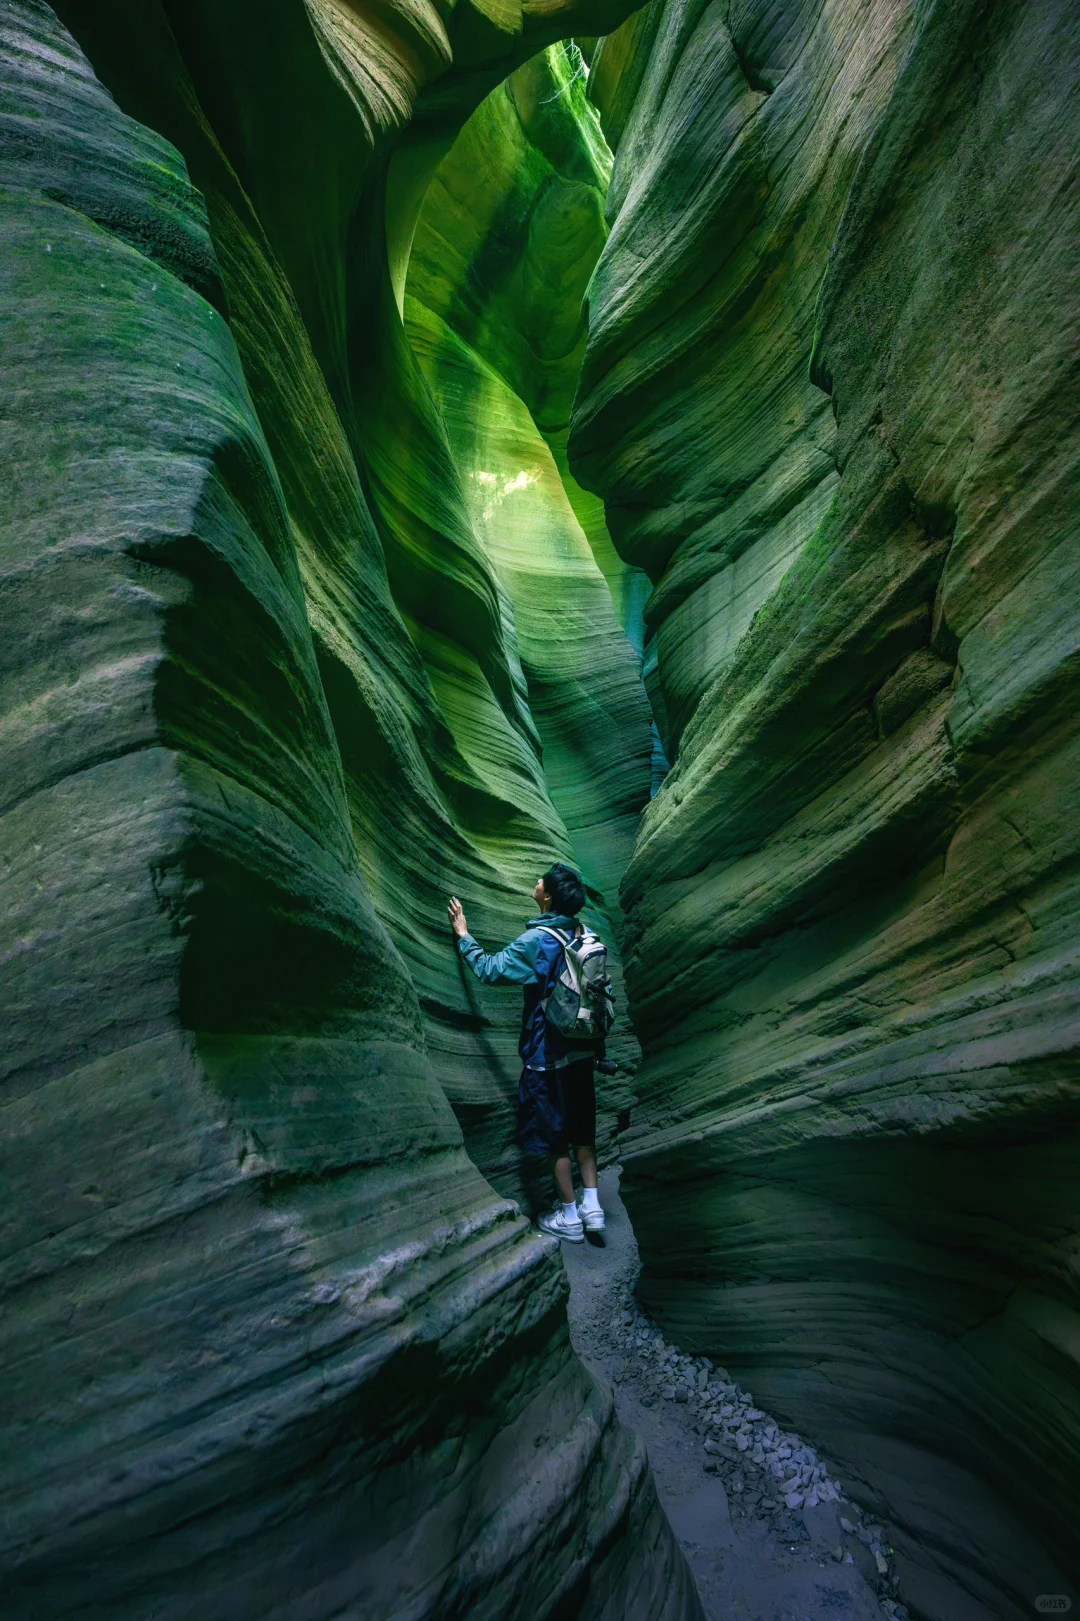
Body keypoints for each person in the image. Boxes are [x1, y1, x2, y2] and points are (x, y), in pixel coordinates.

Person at [448, 864, 605, 1243]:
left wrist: (464, 935)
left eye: (540, 881)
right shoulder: (587, 935)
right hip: (583, 1051)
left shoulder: (537, 940)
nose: (535, 883)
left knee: (554, 1136)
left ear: (547, 897)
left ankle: (569, 1216)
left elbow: (490, 969)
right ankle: (593, 1206)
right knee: (583, 1129)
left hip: (547, 1056)